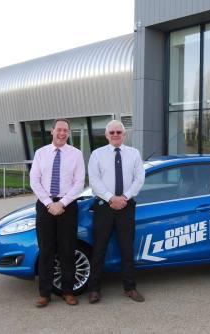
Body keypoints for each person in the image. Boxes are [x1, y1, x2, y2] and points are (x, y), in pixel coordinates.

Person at [87, 120, 145, 303]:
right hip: (104, 206)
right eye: (111, 132)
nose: (115, 135)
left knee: (127, 249)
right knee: (99, 249)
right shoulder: (97, 155)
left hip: (126, 207)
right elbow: (94, 181)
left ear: (124, 134)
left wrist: (124, 198)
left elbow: (139, 179)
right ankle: (94, 289)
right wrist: (111, 198)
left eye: (118, 132)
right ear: (106, 135)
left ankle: (130, 288)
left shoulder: (134, 154)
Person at [30, 118, 85, 307]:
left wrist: (61, 203)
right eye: (59, 130)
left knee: (67, 249)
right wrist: (48, 203)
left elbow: (79, 183)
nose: (62, 133)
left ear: (68, 133)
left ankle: (67, 291)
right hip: (45, 206)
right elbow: (34, 181)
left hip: (67, 206)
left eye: (66, 131)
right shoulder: (41, 153)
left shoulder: (76, 154)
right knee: (46, 250)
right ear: (52, 131)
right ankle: (44, 293)